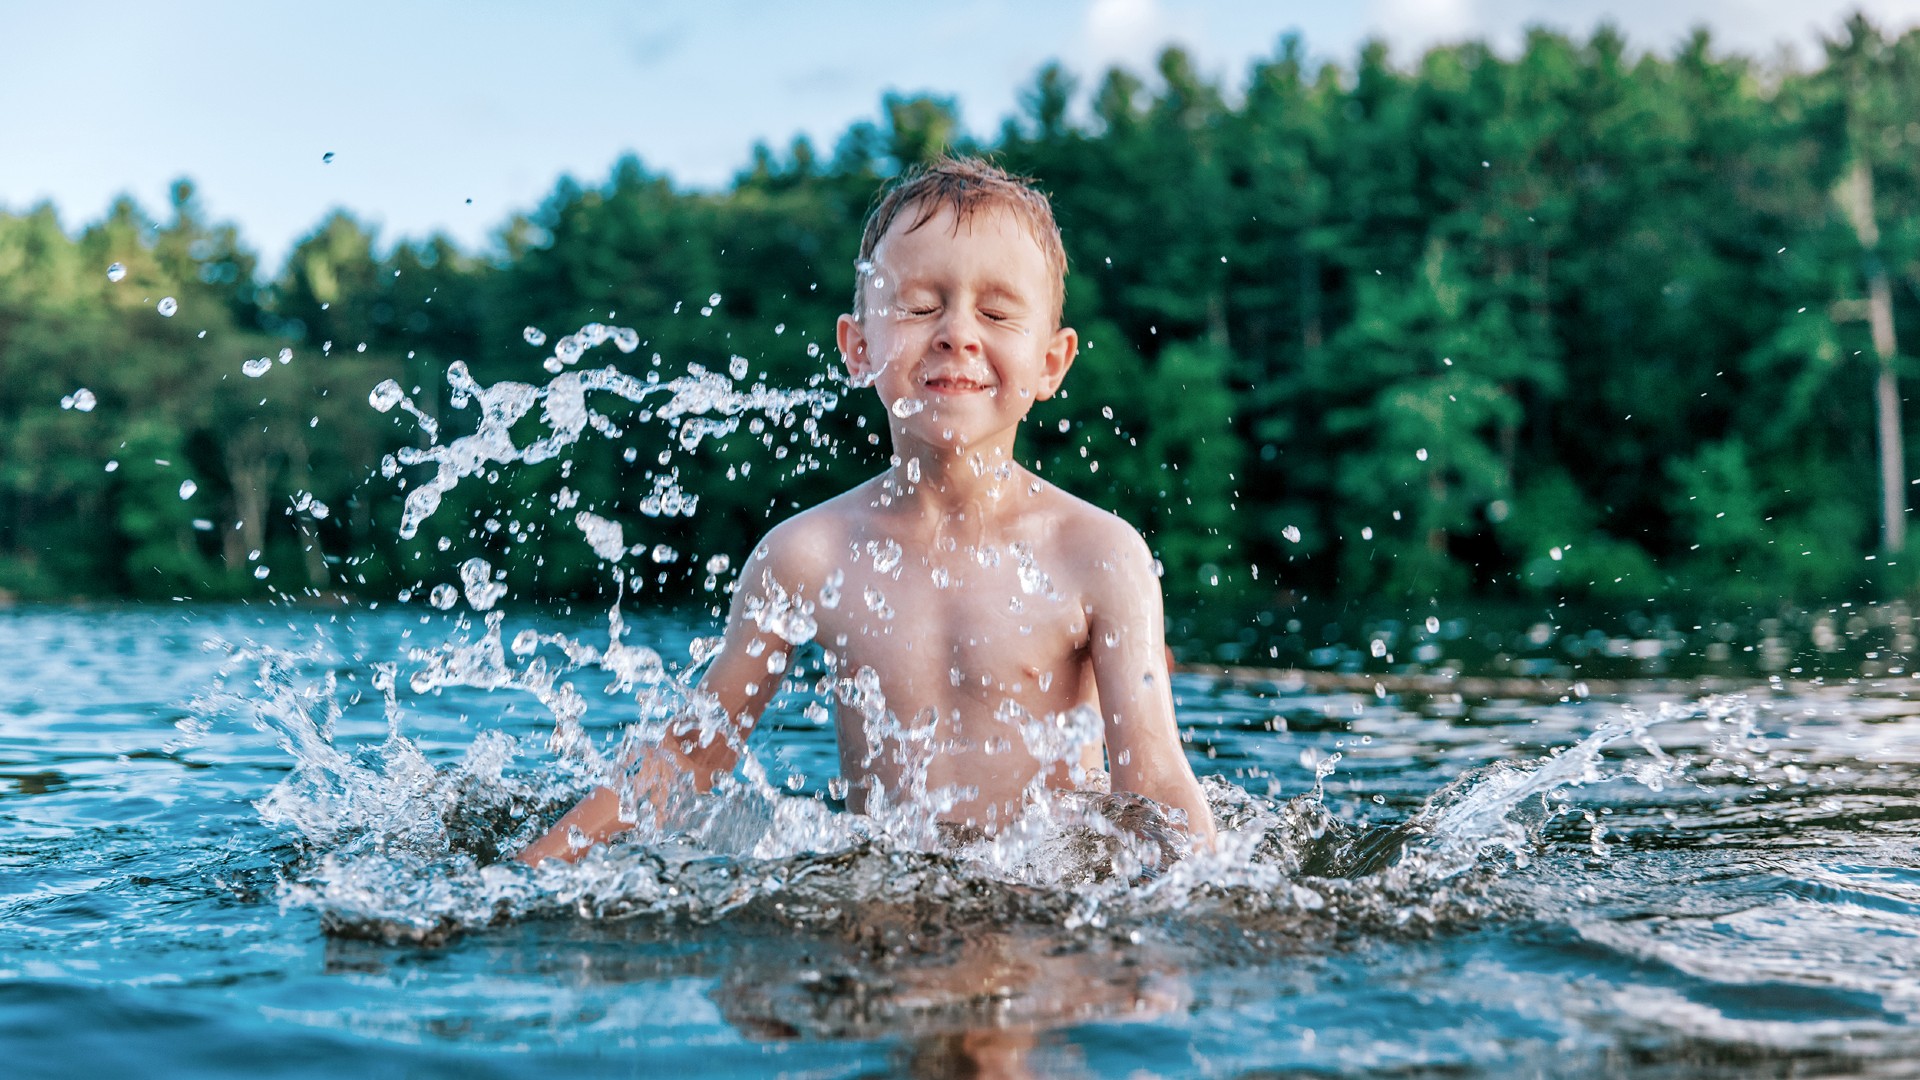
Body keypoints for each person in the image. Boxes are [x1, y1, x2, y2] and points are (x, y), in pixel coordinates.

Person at [516, 157, 1215, 866]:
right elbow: (694, 756)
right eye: (918, 306)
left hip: (1052, 916)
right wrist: (530, 874)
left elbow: (1154, 782)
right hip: (886, 907)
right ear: (858, 348)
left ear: (1051, 364)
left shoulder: (1097, 556)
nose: (957, 333)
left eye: (997, 312)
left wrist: (1193, 946)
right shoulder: (808, 554)